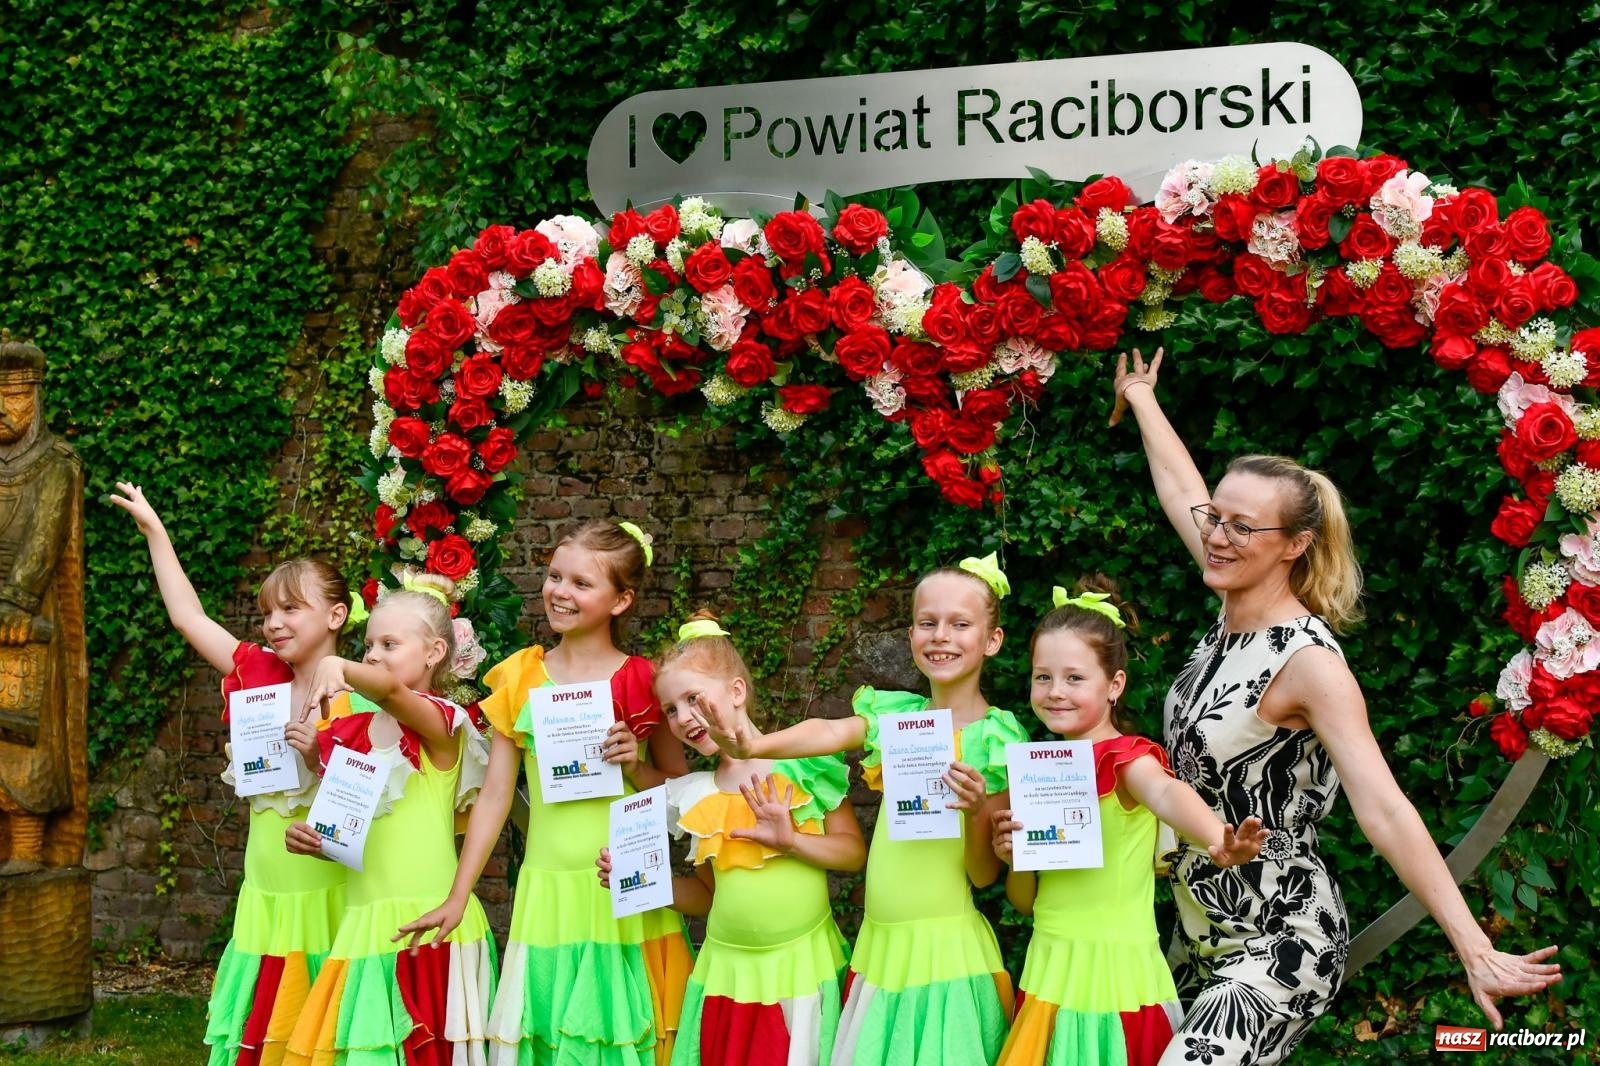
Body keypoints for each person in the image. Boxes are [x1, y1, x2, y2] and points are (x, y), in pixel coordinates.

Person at [1110, 347, 1562, 1065]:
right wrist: (1140, 397)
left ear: (1295, 545)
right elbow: (1178, 486)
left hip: (1282, 939)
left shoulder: (1308, 663)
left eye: (1240, 527)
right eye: (1215, 518)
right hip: (1198, 929)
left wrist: (1473, 947)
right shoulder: (1230, 610)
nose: (1216, 536)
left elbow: (1383, 809)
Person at [704, 556, 1027, 1066]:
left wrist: (972, 812)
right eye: (928, 623)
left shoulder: (999, 738)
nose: (941, 635)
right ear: (911, 633)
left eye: (960, 625)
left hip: (945, 949)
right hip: (880, 949)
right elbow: (828, 732)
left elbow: (983, 873)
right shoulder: (895, 716)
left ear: (992, 640)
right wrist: (757, 743)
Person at [398, 520, 692, 1065]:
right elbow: (494, 796)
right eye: (556, 576)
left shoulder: (645, 681)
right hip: (547, 891)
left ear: (621, 600)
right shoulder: (521, 677)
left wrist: (636, 765)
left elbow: (686, 797)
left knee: (628, 1037)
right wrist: (459, 895)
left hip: (625, 884)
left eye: (582, 583)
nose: (561, 591)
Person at [109, 483, 351, 1066]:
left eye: (292, 609)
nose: (273, 623)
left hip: (327, 892)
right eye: (268, 612)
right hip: (264, 885)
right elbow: (188, 617)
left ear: (336, 615)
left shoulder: (359, 691)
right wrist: (155, 532)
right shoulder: (257, 673)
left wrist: (322, 755)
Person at [990, 578, 1268, 1066]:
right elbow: (1026, 902)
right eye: (1043, 677)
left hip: (1116, 981)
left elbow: (1165, 791)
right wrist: (1013, 859)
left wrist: (1214, 840)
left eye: (1075, 678)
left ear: (1114, 684)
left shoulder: (1127, 759)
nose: (1056, 692)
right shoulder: (1036, 773)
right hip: (1049, 974)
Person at [599, 612, 864, 1065]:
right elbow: (706, 898)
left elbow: (854, 854)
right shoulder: (696, 798)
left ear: (737, 692)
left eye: (693, 699)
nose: (683, 718)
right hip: (726, 975)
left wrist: (793, 842)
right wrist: (642, 882)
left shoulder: (805, 768)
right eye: (671, 709)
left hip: (800, 968)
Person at [283, 572, 494, 1066]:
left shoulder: (442, 723)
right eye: (369, 643)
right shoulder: (348, 732)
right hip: (364, 921)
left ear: (434, 653)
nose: (373, 654)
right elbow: (350, 827)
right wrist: (317, 839)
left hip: (430, 923)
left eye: (389, 643)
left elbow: (393, 696)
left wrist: (341, 665)